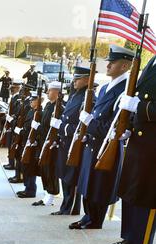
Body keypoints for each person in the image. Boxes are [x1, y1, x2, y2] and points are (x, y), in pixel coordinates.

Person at [70, 45, 133, 229]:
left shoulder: (125, 91)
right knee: (88, 183)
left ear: (124, 66)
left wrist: (89, 121)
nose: (107, 66)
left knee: (99, 185)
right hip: (93, 142)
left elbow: (113, 126)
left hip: (105, 146)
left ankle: (95, 220)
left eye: (112, 63)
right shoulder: (105, 88)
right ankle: (87, 216)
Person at [108, 54, 156, 244]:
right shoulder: (152, 61)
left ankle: (140, 242)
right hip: (138, 140)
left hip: (152, 144)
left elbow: (142, 102)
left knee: (145, 193)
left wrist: (139, 107)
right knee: (131, 189)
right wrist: (127, 126)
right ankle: (129, 236)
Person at [51, 66, 93, 216]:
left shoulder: (87, 98)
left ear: (88, 79)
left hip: (73, 142)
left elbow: (84, 125)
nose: (74, 81)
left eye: (78, 78)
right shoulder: (76, 95)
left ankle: (71, 208)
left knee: (71, 177)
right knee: (64, 175)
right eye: (74, 78)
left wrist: (64, 127)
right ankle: (65, 206)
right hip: (65, 141)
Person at [33, 81, 63, 206]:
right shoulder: (48, 106)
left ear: (56, 92)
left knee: (50, 169)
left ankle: (51, 195)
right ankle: (46, 194)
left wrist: (38, 127)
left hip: (51, 144)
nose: (47, 92)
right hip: (42, 142)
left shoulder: (59, 107)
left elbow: (51, 129)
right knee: (44, 169)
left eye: (50, 90)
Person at [16, 91, 40, 198]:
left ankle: (31, 190)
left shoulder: (39, 113)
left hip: (32, 145)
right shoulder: (31, 112)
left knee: (30, 169)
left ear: (38, 101)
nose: (30, 102)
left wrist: (20, 132)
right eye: (30, 100)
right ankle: (27, 188)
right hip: (25, 143)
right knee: (25, 167)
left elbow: (37, 131)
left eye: (33, 100)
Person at [3, 79, 22, 171]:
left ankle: (12, 163)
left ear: (18, 88)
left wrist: (11, 119)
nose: (11, 90)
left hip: (14, 124)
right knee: (10, 143)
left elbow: (17, 112)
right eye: (12, 88)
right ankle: (10, 162)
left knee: (12, 144)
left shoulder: (18, 98)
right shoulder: (14, 97)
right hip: (11, 124)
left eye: (13, 88)